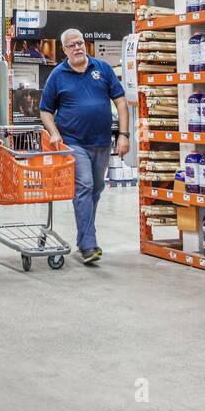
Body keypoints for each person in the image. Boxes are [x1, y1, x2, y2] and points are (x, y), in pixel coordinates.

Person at [39, 29, 130, 265]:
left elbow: (120, 101)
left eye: (80, 43)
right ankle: (89, 245)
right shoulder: (58, 75)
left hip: (101, 141)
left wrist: (124, 134)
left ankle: (83, 238)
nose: (77, 47)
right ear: (64, 50)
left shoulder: (102, 68)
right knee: (85, 186)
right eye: (71, 45)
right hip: (73, 142)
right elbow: (45, 110)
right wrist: (55, 133)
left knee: (97, 189)